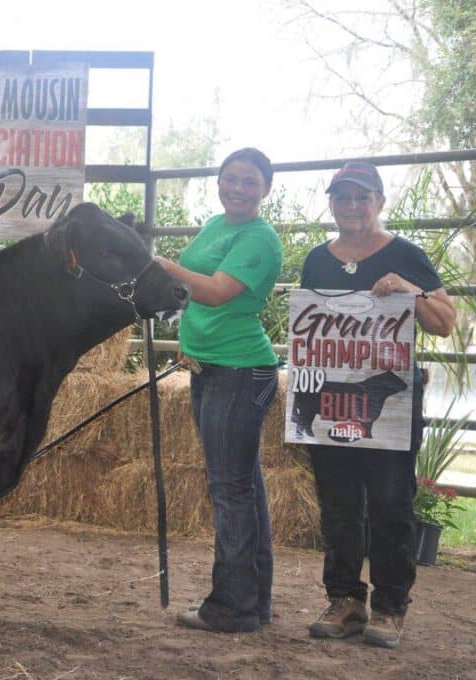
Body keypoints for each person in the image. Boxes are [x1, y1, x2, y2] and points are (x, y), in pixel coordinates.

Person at [301, 161, 457, 649]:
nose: (351, 205)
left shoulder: (407, 254)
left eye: (362, 197)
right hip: (333, 398)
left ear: (379, 202)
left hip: (388, 403)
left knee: (391, 502)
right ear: (332, 202)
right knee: (338, 503)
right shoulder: (316, 260)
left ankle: (391, 605)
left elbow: (445, 321)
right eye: (342, 196)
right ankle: (345, 598)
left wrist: (411, 291)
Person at [154, 147, 284, 633]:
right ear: (219, 183)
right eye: (230, 179)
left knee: (229, 491)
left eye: (249, 181)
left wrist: (166, 267)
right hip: (210, 368)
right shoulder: (215, 225)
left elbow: (213, 291)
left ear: (265, 189)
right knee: (244, 488)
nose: (238, 188)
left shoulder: (260, 238)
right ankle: (253, 603)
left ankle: (231, 607)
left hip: (239, 370)